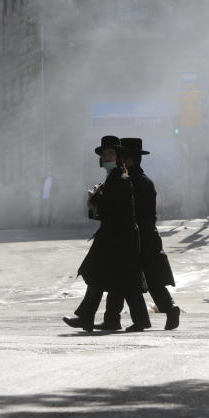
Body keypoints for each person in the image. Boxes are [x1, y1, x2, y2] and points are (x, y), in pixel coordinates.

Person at [65, 136, 150, 332]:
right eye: (104, 154)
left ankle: (90, 317)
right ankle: (108, 319)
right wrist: (96, 201)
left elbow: (112, 209)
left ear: (119, 157)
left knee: (98, 273)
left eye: (111, 153)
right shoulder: (114, 177)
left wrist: (95, 201)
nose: (106, 157)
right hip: (116, 236)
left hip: (119, 237)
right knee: (117, 279)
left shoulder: (120, 178)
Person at [98, 138, 180, 331]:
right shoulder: (145, 181)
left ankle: (120, 318)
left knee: (127, 279)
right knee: (140, 279)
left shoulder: (129, 181)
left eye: (121, 157)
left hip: (136, 237)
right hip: (147, 236)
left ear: (129, 160)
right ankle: (168, 308)